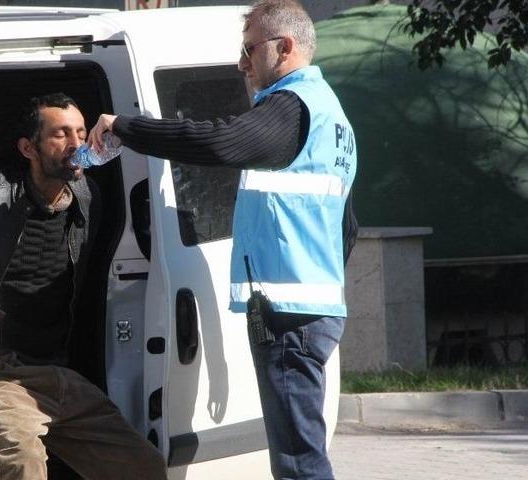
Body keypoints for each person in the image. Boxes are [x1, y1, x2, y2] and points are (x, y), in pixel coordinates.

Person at [87, 1, 357, 478]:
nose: (241, 64)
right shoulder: (330, 115)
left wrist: (126, 129)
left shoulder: (292, 108)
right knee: (300, 455)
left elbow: (218, 141)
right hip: (308, 310)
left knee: (300, 463)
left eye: (249, 50)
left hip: (289, 316)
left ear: (285, 47)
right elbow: (346, 227)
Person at [0, 93, 166, 480]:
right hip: (7, 376)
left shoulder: (86, 196)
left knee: (143, 466)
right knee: (23, 464)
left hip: (59, 372)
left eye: (81, 132)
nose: (78, 145)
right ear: (28, 148)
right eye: (61, 134)